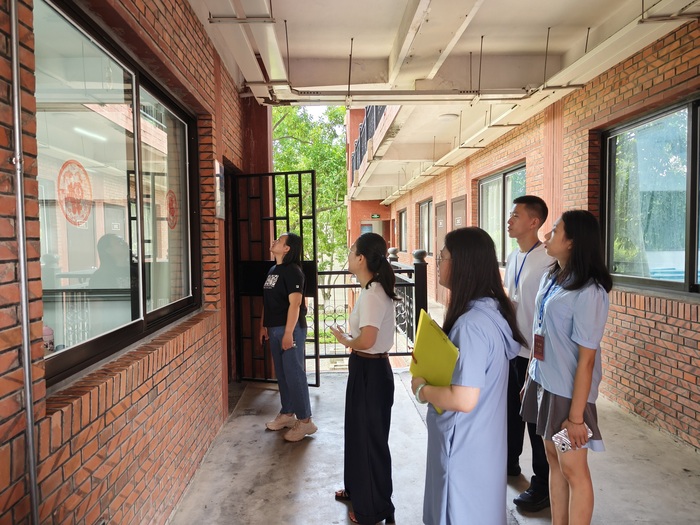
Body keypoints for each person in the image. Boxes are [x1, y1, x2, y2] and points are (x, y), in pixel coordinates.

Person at [411, 227, 526, 525]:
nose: (438, 263)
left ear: (463, 264)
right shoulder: (490, 312)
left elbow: (463, 399)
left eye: (443, 257)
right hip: (483, 444)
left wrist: (422, 389)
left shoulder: (471, 325)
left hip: (464, 447)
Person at [520, 210, 612, 525]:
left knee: (572, 468)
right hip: (544, 384)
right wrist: (530, 375)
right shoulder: (552, 277)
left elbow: (587, 360)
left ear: (572, 241)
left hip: (567, 396)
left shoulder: (590, 292)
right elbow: (540, 331)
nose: (547, 236)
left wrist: (575, 418)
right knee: (553, 460)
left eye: (555, 231)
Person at [329, 232, 398, 525]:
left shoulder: (373, 294)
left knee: (370, 441)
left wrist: (345, 339)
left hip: (371, 371)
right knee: (359, 434)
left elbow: (367, 340)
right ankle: (357, 490)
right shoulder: (372, 289)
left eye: (351, 251)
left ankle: (372, 509)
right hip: (366, 368)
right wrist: (350, 339)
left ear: (361, 259)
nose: (348, 256)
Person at [504, 195, 554, 512]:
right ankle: (509, 462)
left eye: (515, 215)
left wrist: (537, 357)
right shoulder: (513, 256)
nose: (509, 220)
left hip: (536, 355)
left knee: (536, 423)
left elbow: (546, 317)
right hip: (513, 348)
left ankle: (542, 485)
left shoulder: (547, 260)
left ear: (534, 222)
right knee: (511, 412)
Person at [259, 232, 316, 442]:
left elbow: (295, 304)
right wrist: (263, 326)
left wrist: (288, 333)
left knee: (294, 374)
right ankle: (287, 413)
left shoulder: (293, 271)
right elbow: (267, 301)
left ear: (287, 249)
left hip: (290, 329)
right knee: (282, 374)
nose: (274, 241)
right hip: (274, 328)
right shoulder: (273, 270)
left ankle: (305, 420)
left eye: (279, 240)